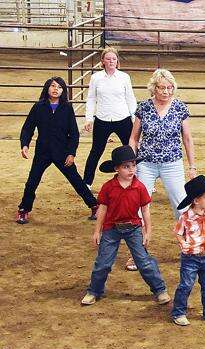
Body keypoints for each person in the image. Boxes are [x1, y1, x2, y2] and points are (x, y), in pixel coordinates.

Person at [81, 145, 170, 306]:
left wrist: (147, 231)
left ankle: (160, 289)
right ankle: (94, 291)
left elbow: (145, 210)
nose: (131, 170)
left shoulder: (140, 187)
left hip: (134, 228)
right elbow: (102, 209)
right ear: (117, 169)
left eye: (133, 165)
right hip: (111, 228)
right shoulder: (108, 187)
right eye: (126, 166)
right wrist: (97, 231)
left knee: (143, 262)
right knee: (103, 263)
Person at [127, 69, 197, 271]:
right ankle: (138, 253)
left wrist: (192, 166)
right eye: (162, 88)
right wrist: (132, 163)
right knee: (139, 207)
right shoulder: (143, 107)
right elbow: (134, 138)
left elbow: (187, 138)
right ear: (154, 88)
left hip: (172, 163)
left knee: (181, 206)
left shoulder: (180, 107)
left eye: (169, 87)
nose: (166, 91)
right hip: (145, 164)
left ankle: (189, 248)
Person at [16, 76, 98, 224]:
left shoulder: (67, 108)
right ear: (47, 88)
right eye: (53, 86)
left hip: (63, 152)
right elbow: (27, 128)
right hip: (42, 152)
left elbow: (74, 133)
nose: (56, 89)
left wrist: (71, 153)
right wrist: (25, 145)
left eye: (59, 87)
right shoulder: (38, 107)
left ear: (63, 91)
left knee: (76, 180)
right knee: (32, 181)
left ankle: (94, 205)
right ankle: (23, 209)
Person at [172, 175, 205, 326]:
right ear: (196, 200)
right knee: (186, 285)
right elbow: (178, 233)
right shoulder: (185, 218)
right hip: (190, 257)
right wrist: (183, 244)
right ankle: (179, 313)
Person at [82, 46, 137, 189]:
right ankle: (86, 182)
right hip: (102, 119)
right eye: (108, 59)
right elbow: (91, 98)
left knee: (132, 151)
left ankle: (140, 180)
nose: (111, 61)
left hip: (123, 119)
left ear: (117, 61)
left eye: (114, 59)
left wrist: (135, 119)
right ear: (103, 61)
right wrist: (89, 118)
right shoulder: (96, 78)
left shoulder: (124, 77)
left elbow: (130, 98)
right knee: (96, 151)